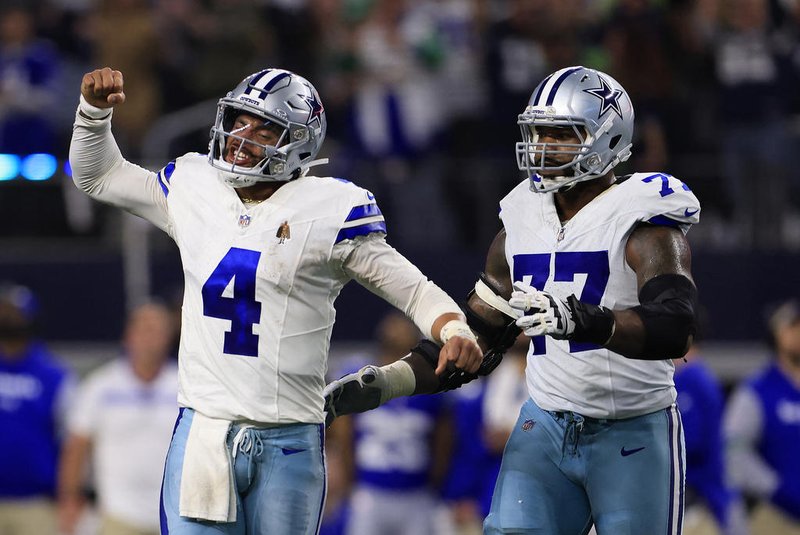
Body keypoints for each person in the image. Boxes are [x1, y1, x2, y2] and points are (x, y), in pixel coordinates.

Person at [68, 66, 482, 535]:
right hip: (205, 432)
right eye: (239, 121)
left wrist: (452, 326)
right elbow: (97, 175)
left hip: (290, 440)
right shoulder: (193, 184)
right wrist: (93, 114)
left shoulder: (328, 210)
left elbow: (409, 286)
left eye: (264, 128)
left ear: (300, 143)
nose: (241, 137)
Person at [324, 65, 701, 534]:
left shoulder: (645, 220)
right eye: (537, 133)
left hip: (633, 427)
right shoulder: (520, 222)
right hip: (544, 422)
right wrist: (389, 382)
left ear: (607, 138)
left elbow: (674, 326)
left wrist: (580, 320)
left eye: (561, 134)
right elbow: (475, 342)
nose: (542, 147)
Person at [58, 301, 179, 535]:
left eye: (157, 330)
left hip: (173, 517)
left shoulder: (184, 387)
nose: (149, 338)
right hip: (118, 515)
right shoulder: (101, 386)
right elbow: (77, 447)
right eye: (143, 329)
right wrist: (70, 499)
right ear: (128, 335)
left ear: (169, 338)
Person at [326, 312, 453, 535]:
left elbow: (443, 442)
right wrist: (350, 486)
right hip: (370, 490)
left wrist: (433, 485)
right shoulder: (363, 380)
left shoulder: (431, 386)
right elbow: (344, 437)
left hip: (416, 492)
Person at [0, 282, 75, 535]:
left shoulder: (54, 376)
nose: (7, 319)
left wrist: (68, 495)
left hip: (37, 503)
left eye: (13, 313)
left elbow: (69, 438)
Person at [724, 299, 800, 535]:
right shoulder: (757, 390)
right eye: (792, 326)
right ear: (775, 333)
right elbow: (733, 451)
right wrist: (776, 488)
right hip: (777, 515)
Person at [674, 341, 746, 535]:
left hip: (703, 499)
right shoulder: (692, 375)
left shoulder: (692, 377)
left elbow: (690, 443)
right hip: (698, 496)